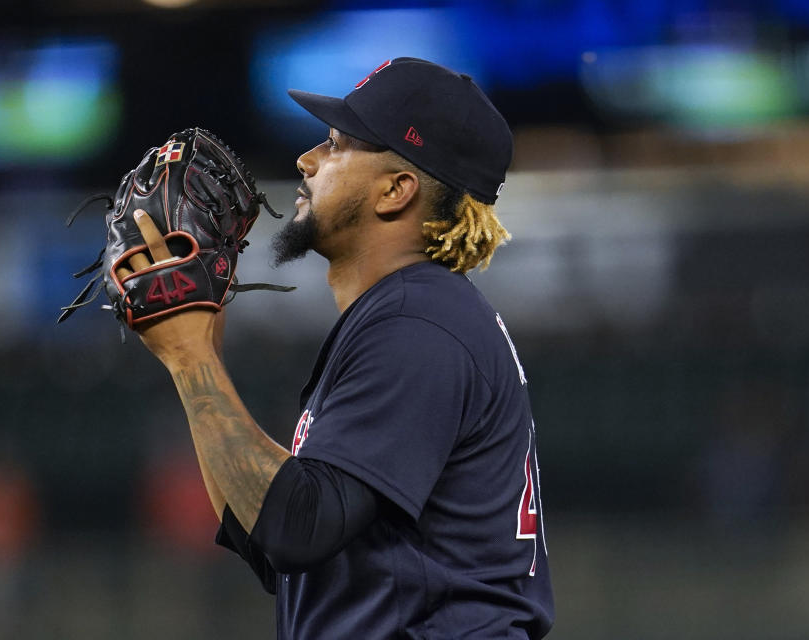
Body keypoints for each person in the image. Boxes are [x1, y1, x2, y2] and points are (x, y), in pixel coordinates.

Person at [124, 57, 554, 638]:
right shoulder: (411, 314)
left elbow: (297, 528)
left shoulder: (418, 321)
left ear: (396, 190)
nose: (308, 159)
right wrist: (198, 352)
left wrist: (192, 358)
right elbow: (266, 535)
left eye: (337, 143)